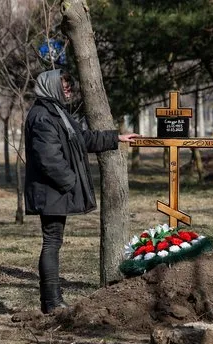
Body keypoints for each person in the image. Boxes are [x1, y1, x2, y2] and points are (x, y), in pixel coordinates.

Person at [24, 69, 139, 314]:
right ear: (50, 86)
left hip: (54, 191)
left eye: (69, 87)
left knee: (54, 242)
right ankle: (52, 302)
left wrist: (117, 138)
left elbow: (83, 139)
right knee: (52, 242)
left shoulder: (57, 113)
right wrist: (70, 182)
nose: (68, 91)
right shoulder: (43, 115)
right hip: (51, 191)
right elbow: (48, 159)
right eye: (63, 86)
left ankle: (51, 301)